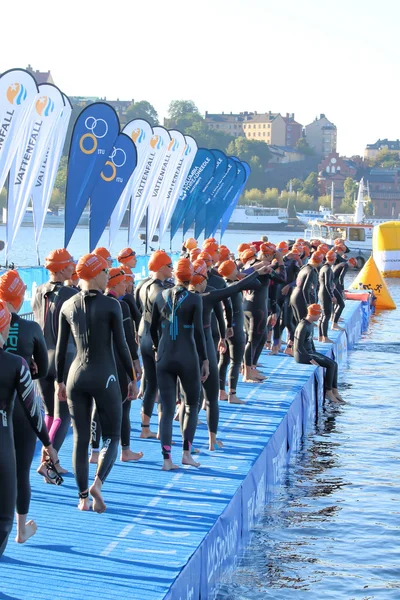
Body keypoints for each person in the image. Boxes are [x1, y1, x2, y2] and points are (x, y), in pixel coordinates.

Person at [55, 253, 138, 513]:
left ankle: (82, 499)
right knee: (112, 435)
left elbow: (60, 350)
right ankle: (98, 484)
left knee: (79, 439)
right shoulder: (111, 305)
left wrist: (59, 381)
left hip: (75, 376)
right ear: (97, 273)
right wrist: (132, 378)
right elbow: (122, 346)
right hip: (105, 375)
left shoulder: (68, 305)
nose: (108, 276)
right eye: (106, 272)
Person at [0, 300, 58, 556]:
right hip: (8, 429)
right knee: (4, 517)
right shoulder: (16, 364)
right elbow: (34, 409)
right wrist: (48, 443)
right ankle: (21, 530)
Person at [150, 258, 209, 470]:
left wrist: (158, 348)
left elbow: (152, 329)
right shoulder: (195, 300)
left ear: (175, 275)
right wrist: (205, 360)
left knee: (166, 410)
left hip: (164, 356)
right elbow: (200, 333)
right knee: (191, 405)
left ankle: (166, 460)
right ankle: (186, 454)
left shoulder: (159, 295)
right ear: (190, 276)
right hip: (187, 357)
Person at [90, 267, 142, 464]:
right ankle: (125, 450)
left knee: (98, 408)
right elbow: (128, 339)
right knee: (124, 407)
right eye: (123, 282)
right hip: (119, 365)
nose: (127, 286)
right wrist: (135, 365)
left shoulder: (96, 303)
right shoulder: (121, 306)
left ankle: (94, 452)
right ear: (113, 283)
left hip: (99, 363)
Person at [32, 248, 77, 467]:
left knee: (49, 413)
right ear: (60, 269)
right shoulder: (72, 294)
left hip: (41, 358)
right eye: (70, 264)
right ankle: (49, 461)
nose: (73, 266)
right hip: (64, 359)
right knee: (64, 415)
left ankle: (49, 460)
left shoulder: (38, 291)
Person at [135, 250, 173, 439]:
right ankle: (160, 429)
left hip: (144, 336)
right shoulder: (160, 290)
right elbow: (167, 317)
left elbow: (137, 311)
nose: (172, 269)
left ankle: (145, 427)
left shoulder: (141, 285)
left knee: (151, 385)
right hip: (156, 339)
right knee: (162, 385)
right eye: (170, 266)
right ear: (161, 267)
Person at [217, 259, 262, 404]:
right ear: (231, 272)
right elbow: (257, 284)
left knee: (223, 361)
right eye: (235, 269)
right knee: (235, 362)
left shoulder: (222, 285)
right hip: (235, 328)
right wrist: (253, 273)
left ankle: (221, 392)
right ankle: (232, 394)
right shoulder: (235, 286)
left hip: (224, 326)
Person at [294, 303, 343, 403]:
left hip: (310, 353)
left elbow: (310, 342)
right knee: (330, 365)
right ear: (313, 314)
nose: (320, 316)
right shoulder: (302, 326)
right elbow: (298, 347)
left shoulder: (310, 324)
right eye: (318, 315)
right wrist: (311, 359)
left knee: (334, 364)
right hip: (302, 356)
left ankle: (335, 391)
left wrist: (315, 353)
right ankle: (328, 393)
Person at [290, 250, 324, 326]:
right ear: (320, 261)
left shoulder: (304, 267)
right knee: (303, 324)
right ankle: (301, 337)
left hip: (294, 296)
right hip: (301, 298)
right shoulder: (311, 271)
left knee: (298, 323)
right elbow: (305, 289)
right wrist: (308, 303)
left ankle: (293, 337)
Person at [332, 257, 357, 329]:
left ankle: (334, 317)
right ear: (351, 263)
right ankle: (334, 322)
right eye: (353, 265)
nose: (353, 267)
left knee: (336, 301)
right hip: (334, 285)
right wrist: (342, 290)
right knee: (341, 303)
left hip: (333, 284)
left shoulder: (342, 264)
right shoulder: (346, 265)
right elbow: (341, 277)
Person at [318, 249, 337, 343]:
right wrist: (332, 296)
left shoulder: (323, 267)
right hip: (325, 294)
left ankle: (320, 336)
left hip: (321, 293)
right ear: (333, 259)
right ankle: (325, 337)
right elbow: (327, 284)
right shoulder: (328, 269)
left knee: (323, 315)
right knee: (327, 315)